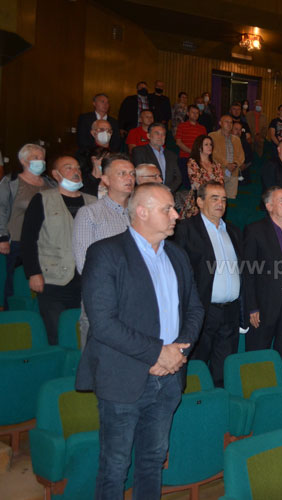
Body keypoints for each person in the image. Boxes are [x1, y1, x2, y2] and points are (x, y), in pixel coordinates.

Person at [75, 183, 204, 500]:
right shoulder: (106, 253)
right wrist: (158, 353)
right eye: (167, 209)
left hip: (169, 377)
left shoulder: (177, 254)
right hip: (124, 378)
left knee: (152, 461)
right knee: (115, 467)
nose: (176, 215)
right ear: (142, 212)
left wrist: (177, 352)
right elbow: (103, 323)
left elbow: (195, 309)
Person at [20, 156, 96, 344]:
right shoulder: (42, 199)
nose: (75, 172)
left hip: (87, 279)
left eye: (77, 168)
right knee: (57, 332)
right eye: (68, 168)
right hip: (53, 278)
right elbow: (29, 239)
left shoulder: (93, 202)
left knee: (87, 332)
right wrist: (33, 272)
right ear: (55, 174)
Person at [175, 181, 242, 387]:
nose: (221, 203)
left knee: (224, 369)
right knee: (197, 366)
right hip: (202, 310)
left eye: (223, 199)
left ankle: (219, 401)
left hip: (230, 311)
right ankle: (197, 404)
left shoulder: (233, 231)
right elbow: (178, 273)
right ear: (200, 202)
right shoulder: (185, 229)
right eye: (214, 198)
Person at [243, 187, 282, 378]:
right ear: (269, 206)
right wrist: (252, 306)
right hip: (263, 303)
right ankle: (257, 388)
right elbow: (247, 272)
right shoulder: (254, 230)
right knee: (258, 351)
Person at [72, 154, 135, 346]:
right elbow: (85, 265)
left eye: (132, 173)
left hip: (135, 301)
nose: (129, 178)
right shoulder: (90, 213)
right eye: (122, 173)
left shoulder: (139, 215)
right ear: (105, 179)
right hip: (103, 302)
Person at [0, 143, 56, 307]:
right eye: (36, 157)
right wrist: (2, 237)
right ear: (23, 161)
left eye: (42, 158)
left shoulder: (49, 184)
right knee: (13, 282)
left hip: (44, 242)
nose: (41, 161)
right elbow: (1, 209)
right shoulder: (11, 182)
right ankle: (11, 312)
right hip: (16, 241)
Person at [180, 134, 226, 218]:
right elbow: (198, 185)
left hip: (215, 199)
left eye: (211, 144)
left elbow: (221, 183)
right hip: (198, 199)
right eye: (206, 144)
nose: (209, 147)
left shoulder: (216, 164)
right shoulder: (193, 163)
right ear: (199, 147)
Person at [131, 122, 181, 193]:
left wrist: (167, 190)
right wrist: (156, 191)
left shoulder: (171, 155)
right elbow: (140, 176)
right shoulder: (139, 152)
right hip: (147, 193)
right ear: (148, 136)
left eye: (163, 134)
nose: (160, 137)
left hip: (168, 193)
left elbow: (178, 178)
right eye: (157, 133)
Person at [209, 115, 245, 199]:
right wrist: (226, 164)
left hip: (233, 172)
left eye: (231, 122)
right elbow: (213, 153)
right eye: (226, 122)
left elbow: (241, 156)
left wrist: (235, 164)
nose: (229, 124)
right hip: (218, 171)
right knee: (216, 197)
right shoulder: (212, 136)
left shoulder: (236, 139)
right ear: (220, 123)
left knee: (231, 198)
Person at [175, 105, 207, 189]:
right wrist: (191, 151)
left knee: (199, 183)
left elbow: (205, 144)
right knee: (187, 184)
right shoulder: (181, 126)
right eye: (193, 112)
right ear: (188, 113)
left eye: (197, 113)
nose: (195, 114)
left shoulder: (202, 128)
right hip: (185, 158)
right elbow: (178, 142)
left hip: (199, 159)